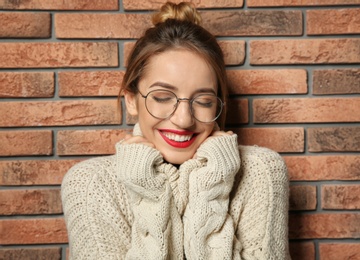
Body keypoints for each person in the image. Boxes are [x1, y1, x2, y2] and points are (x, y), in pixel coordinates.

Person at [61, 2, 290, 259]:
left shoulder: (260, 172)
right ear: (131, 100)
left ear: (218, 103)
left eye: (203, 101)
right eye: (162, 97)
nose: (183, 120)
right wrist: (148, 190)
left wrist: (213, 182)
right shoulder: (91, 184)